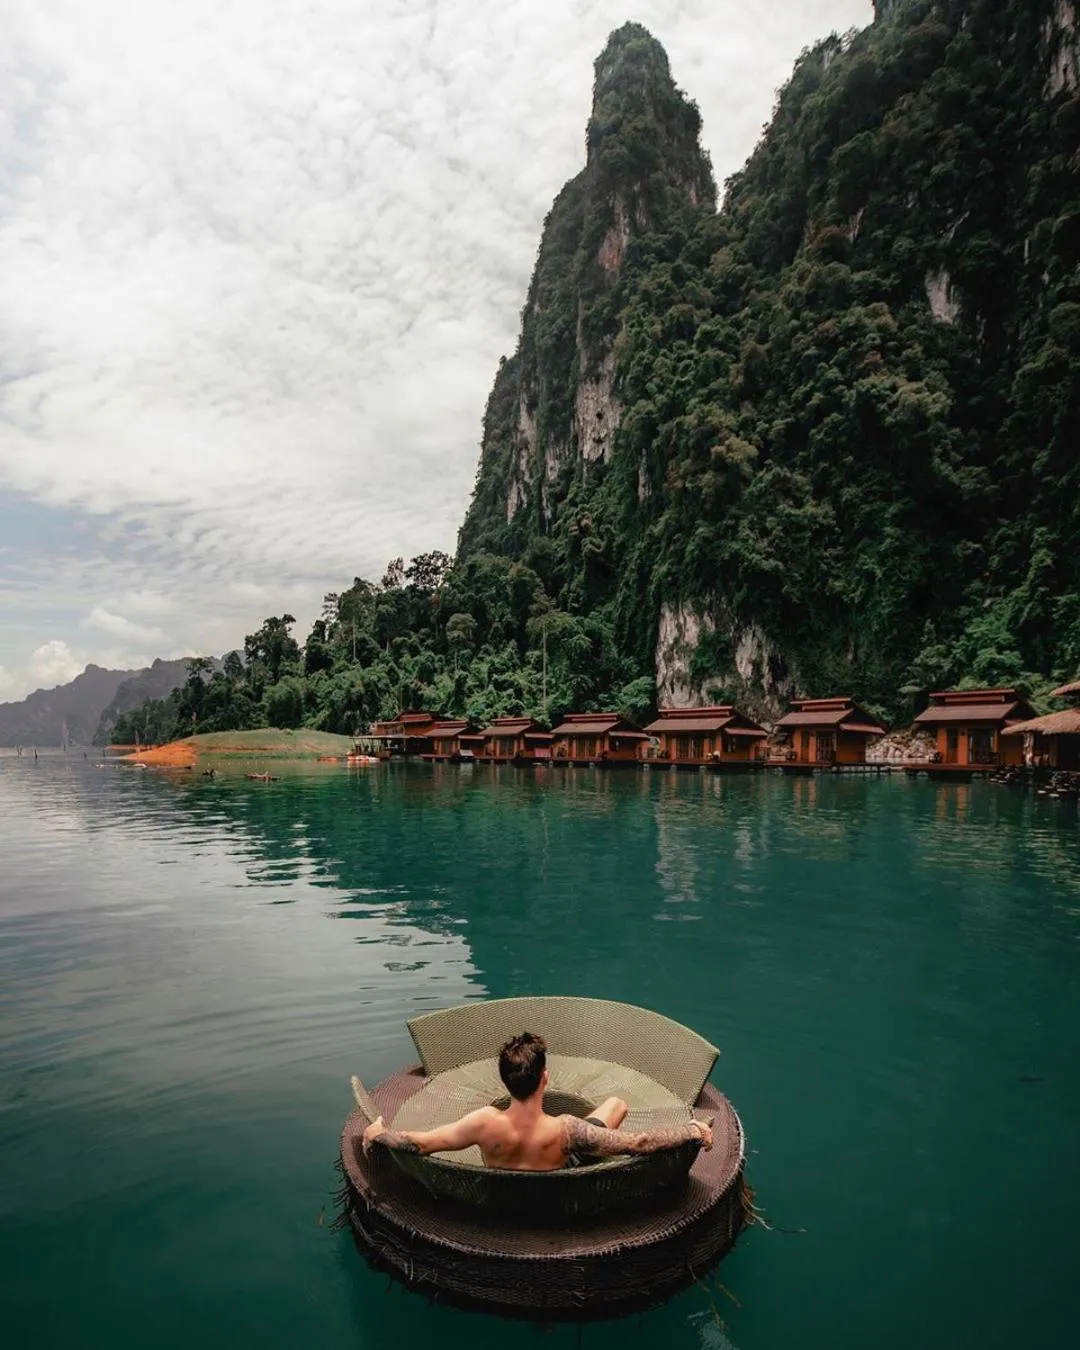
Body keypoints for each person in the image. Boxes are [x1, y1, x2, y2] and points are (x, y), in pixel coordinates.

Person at [361, 1031, 712, 1171]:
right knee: (618, 1104)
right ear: (545, 1078)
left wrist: (378, 1132)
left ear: (504, 1081)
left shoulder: (484, 1123)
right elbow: (639, 1143)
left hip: (507, 1186)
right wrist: (692, 1129)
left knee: (614, 1106)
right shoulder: (567, 1130)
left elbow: (420, 1144)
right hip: (557, 1160)